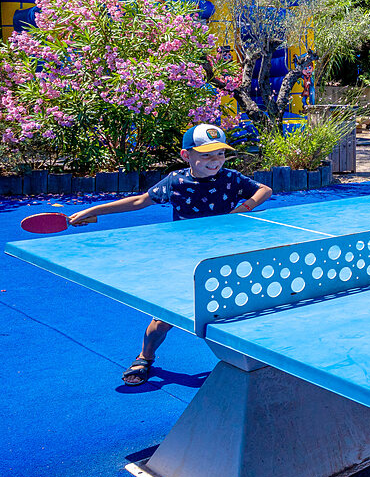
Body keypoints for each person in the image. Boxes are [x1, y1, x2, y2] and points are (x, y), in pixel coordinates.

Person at [68, 123, 272, 385]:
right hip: (188, 259)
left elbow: (263, 190)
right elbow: (140, 201)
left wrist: (244, 207)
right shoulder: (176, 181)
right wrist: (93, 210)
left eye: (219, 154)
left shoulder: (231, 178)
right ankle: (145, 356)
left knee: (245, 307)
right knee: (164, 319)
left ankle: (256, 358)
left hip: (225, 257)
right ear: (186, 155)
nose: (215, 161)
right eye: (206, 154)